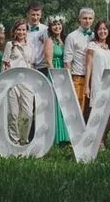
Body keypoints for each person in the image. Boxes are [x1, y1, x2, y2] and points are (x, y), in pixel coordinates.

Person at [84, 20, 110, 149]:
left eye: (105, 29)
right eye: (100, 29)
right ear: (96, 31)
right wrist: (86, 86)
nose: (102, 31)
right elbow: (88, 66)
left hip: (107, 84)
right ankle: (98, 142)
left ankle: (101, 137)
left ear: (109, 31)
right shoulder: (92, 46)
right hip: (96, 82)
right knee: (96, 113)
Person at [2, 19, 35, 146]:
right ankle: (14, 141)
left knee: (28, 114)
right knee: (13, 114)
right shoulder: (10, 45)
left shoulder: (30, 46)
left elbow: (32, 64)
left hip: (27, 82)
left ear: (26, 31)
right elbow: (4, 64)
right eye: (19, 29)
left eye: (23, 29)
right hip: (12, 82)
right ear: (15, 31)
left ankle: (24, 140)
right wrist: (4, 83)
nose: (21, 32)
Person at [43, 14, 69, 144]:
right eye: (54, 25)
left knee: (64, 104)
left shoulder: (64, 40)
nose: (57, 27)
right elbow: (48, 61)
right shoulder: (49, 41)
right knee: (56, 103)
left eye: (59, 24)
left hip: (64, 73)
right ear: (50, 27)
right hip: (54, 72)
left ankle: (65, 135)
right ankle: (56, 137)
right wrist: (54, 77)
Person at [64, 7, 95, 116]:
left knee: (91, 112)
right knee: (77, 111)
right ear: (80, 19)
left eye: (90, 18)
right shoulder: (72, 37)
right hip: (78, 77)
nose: (87, 21)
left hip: (93, 78)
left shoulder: (96, 36)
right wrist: (69, 81)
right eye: (85, 18)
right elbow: (67, 61)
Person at [26, 2, 48, 73]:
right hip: (28, 67)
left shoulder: (46, 30)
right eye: (33, 15)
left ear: (41, 15)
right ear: (28, 15)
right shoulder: (22, 30)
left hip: (44, 67)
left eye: (37, 15)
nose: (35, 17)